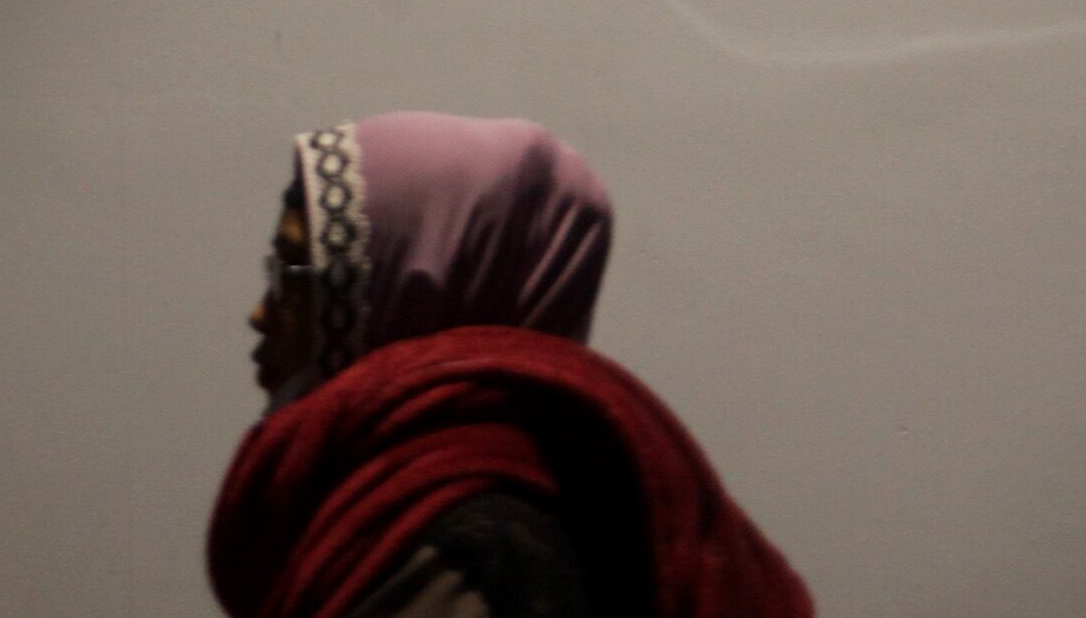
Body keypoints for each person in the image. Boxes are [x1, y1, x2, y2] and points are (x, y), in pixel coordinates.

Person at [212, 115, 811, 618]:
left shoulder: (477, 549)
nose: (261, 314)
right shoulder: (438, 509)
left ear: (418, 286)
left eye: (293, 277)